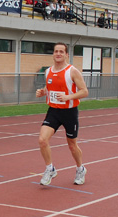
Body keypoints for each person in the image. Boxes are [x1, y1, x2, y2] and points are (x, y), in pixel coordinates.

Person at [35, 42, 89, 186]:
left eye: (61, 51)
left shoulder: (72, 71)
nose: (58, 54)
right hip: (53, 111)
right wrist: (43, 92)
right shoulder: (48, 71)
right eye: (56, 51)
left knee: (72, 145)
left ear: (66, 55)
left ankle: (80, 169)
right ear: (53, 54)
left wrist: (68, 97)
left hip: (69, 112)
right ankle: (49, 168)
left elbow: (84, 91)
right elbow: (50, 87)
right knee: (42, 140)